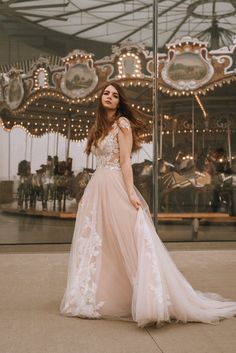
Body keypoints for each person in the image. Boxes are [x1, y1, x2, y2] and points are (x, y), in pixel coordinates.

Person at [60, 82, 236, 327]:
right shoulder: (100, 127)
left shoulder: (122, 124)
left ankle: (150, 294)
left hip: (113, 184)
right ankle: (99, 293)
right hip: (97, 186)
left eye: (114, 95)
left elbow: (124, 162)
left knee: (131, 234)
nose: (109, 97)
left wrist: (130, 193)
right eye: (106, 93)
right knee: (101, 239)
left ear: (120, 101)